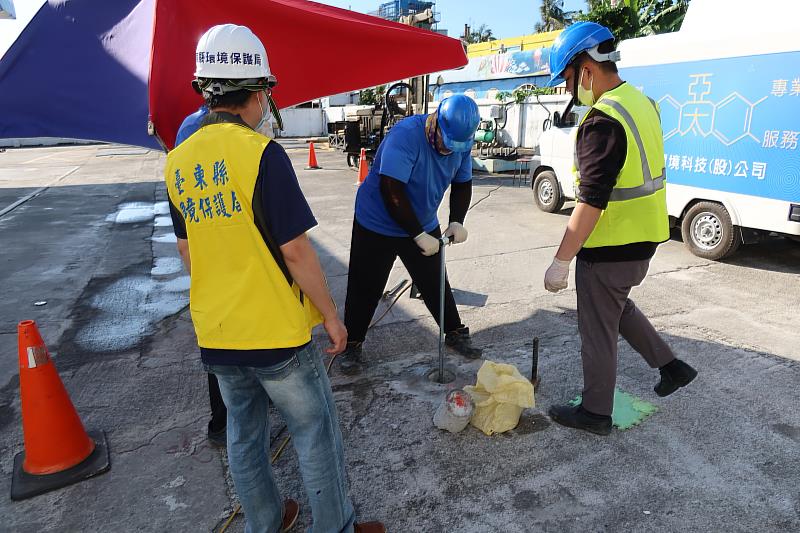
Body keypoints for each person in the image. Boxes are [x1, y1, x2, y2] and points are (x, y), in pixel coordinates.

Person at [165, 24, 384, 533]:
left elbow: (187, 251)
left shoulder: (178, 162)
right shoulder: (261, 153)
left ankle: (265, 523)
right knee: (315, 432)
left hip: (216, 333)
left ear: (205, 89)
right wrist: (332, 317)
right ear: (258, 92)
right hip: (275, 334)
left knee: (244, 433)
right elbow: (297, 252)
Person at [542, 22, 697, 436]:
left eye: (569, 80)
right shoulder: (642, 103)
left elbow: (592, 200)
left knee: (597, 329)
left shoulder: (601, 120)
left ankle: (594, 413)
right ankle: (672, 366)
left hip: (609, 246)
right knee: (617, 307)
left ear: (587, 68)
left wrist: (561, 260)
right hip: (643, 241)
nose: (569, 90)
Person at [337, 94, 483, 375]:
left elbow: (462, 183)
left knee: (435, 282)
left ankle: (454, 332)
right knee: (366, 285)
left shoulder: (460, 142)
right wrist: (416, 235)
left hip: (422, 218)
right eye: (445, 142)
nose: (447, 150)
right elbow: (391, 190)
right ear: (436, 123)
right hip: (377, 221)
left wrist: (456, 221)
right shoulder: (405, 136)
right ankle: (352, 345)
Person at [173, 104, 227, 448]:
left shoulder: (185, 130)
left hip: (207, 262)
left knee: (219, 346)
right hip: (229, 252)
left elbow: (184, 244)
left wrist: (201, 280)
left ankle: (222, 423)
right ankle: (229, 421)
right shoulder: (224, 132)